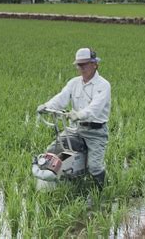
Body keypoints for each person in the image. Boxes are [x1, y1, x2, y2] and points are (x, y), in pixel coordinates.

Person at [37, 47, 111, 190]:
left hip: (96, 132)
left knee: (94, 167)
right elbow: (61, 98)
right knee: (53, 150)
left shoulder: (103, 85)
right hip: (76, 129)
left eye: (84, 64)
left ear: (94, 64)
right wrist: (46, 106)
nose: (81, 68)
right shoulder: (74, 83)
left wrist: (79, 114)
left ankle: (102, 192)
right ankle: (56, 185)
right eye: (79, 65)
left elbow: (96, 107)